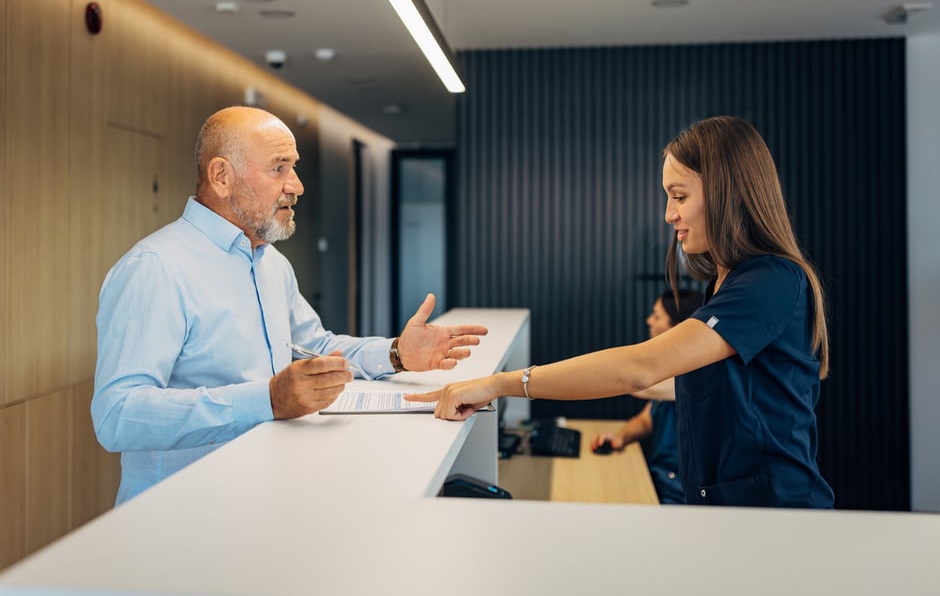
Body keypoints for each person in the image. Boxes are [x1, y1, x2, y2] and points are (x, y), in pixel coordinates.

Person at [408, 116, 835, 508]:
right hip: (728, 509)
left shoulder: (770, 281)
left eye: (680, 196)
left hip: (775, 515)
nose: (670, 215)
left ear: (727, 192)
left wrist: (499, 384)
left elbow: (641, 367)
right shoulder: (727, 284)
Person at [92, 106, 488, 505]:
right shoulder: (155, 268)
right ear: (221, 177)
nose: (296, 186)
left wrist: (396, 353)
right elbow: (117, 414)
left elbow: (315, 346)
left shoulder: (270, 263)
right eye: (279, 168)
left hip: (266, 497)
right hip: (181, 521)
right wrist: (267, 399)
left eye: (294, 168)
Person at [590, 289, 703, 505]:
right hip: (658, 482)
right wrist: (621, 437)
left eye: (657, 316)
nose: (649, 320)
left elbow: (637, 383)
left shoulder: (695, 377)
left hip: (679, 497)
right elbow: (645, 421)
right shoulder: (669, 372)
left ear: (679, 329)